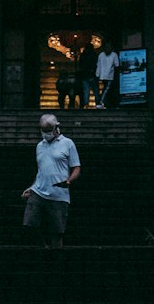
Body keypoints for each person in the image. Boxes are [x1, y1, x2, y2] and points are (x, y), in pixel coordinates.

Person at [21, 112, 81, 249]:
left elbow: (76, 168)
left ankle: (55, 261)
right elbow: (42, 171)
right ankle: (43, 248)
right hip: (39, 191)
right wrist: (32, 187)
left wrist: (69, 181)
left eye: (49, 130)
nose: (46, 133)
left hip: (59, 194)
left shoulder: (67, 143)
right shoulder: (40, 146)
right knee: (29, 224)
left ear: (56, 128)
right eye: (44, 131)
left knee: (57, 232)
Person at [96, 40, 119, 108]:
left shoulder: (101, 55)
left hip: (103, 75)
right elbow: (117, 65)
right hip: (110, 76)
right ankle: (101, 102)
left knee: (106, 89)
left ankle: (104, 102)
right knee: (107, 89)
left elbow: (98, 65)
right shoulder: (114, 55)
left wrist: (97, 74)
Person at [77, 40, 98, 109]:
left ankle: (86, 105)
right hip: (92, 75)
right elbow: (96, 65)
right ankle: (98, 104)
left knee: (86, 91)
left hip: (85, 75)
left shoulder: (83, 55)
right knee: (95, 91)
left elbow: (80, 66)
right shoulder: (94, 55)